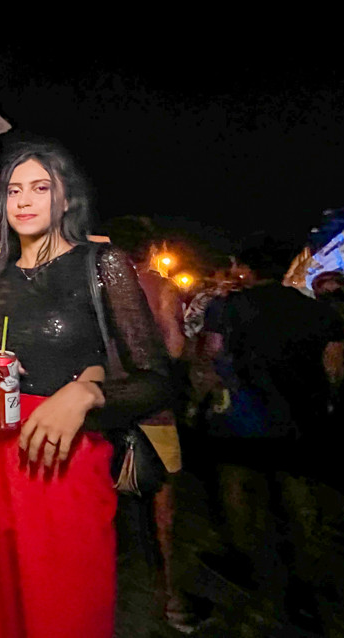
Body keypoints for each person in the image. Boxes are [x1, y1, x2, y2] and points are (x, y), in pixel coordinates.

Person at [0, 145, 172, 638]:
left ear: (65, 200)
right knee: (1, 602)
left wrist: (88, 395)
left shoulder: (101, 264)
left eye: (40, 188)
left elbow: (157, 380)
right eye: (14, 190)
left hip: (67, 454)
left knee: (64, 605)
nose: (23, 200)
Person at [196, 236, 344, 632]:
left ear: (248, 269)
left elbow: (211, 353)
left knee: (236, 482)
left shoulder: (225, 307)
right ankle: (303, 580)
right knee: (298, 493)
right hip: (301, 416)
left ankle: (241, 559)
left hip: (242, 412)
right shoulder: (319, 311)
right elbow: (334, 368)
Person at [102, 216, 207, 632]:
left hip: (103, 404)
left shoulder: (96, 283)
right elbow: (176, 347)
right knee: (163, 507)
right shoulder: (160, 287)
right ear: (149, 249)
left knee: (102, 500)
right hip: (152, 405)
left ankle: (98, 591)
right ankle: (171, 597)